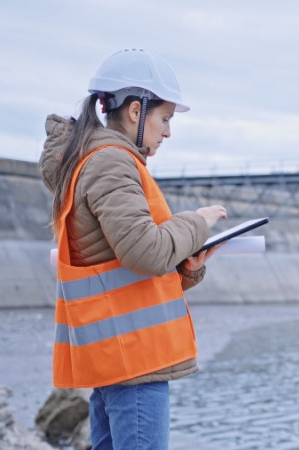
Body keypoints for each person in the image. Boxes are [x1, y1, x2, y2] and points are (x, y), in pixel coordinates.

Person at [39, 48, 226, 449]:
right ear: (136, 111)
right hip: (134, 362)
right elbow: (146, 253)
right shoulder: (111, 163)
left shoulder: (96, 161)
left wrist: (188, 267)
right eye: (165, 118)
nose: (168, 132)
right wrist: (198, 221)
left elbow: (124, 272)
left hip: (115, 357)